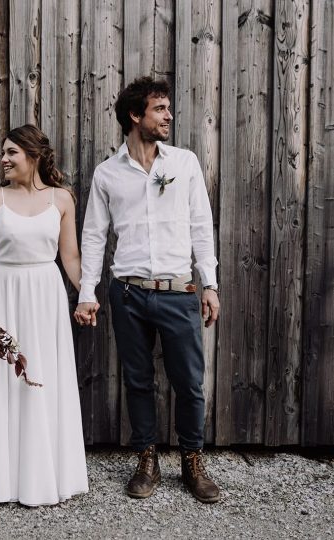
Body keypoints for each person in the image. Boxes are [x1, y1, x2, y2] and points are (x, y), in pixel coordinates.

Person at [75, 76, 221, 503]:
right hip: (128, 293)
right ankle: (147, 458)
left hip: (178, 291)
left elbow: (201, 227)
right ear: (135, 116)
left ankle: (193, 459)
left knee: (190, 382)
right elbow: (94, 237)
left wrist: (209, 284)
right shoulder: (108, 174)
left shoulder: (184, 163)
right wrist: (88, 291)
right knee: (138, 381)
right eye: (160, 109)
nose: (169, 116)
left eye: (168, 109)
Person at [0, 124, 91, 506]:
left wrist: (87, 295)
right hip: (3, 292)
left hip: (45, 295)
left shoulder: (61, 200)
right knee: (1, 379)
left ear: (33, 155)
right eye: (3, 152)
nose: (4, 159)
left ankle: (45, 473)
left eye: (11, 152)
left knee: (43, 375)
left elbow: (71, 257)